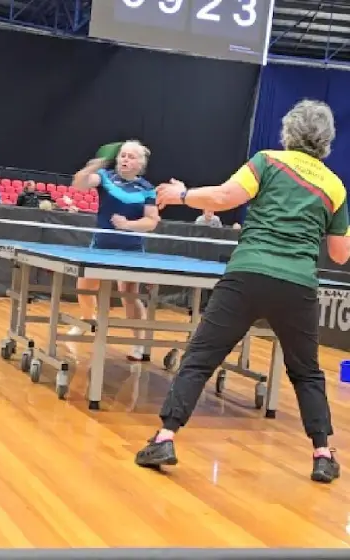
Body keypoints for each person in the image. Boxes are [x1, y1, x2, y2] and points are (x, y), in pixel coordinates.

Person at [135, 99, 350, 484]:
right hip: (298, 285)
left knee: (200, 358)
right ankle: (321, 453)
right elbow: (340, 253)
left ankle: (165, 437)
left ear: (289, 130)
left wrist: (182, 194)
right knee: (307, 373)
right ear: (327, 140)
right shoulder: (335, 186)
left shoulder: (267, 161)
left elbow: (223, 199)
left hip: (248, 274)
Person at [70, 140, 160, 361]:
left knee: (129, 294)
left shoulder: (147, 189)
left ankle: (138, 344)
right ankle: (87, 320)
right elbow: (79, 184)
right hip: (101, 245)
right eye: (122, 155)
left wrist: (128, 225)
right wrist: (92, 166)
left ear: (140, 163)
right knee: (85, 286)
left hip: (131, 249)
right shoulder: (105, 177)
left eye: (131, 156)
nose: (125, 159)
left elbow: (151, 221)